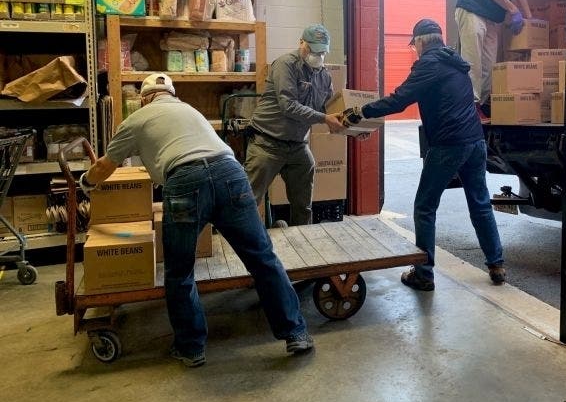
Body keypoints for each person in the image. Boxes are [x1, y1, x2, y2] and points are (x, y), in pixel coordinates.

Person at [78, 73, 314, 367]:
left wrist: (85, 183)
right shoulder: (191, 110)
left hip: (185, 183)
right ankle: (296, 332)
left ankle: (191, 348)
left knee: (180, 270)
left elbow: (104, 166)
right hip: (231, 175)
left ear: (144, 98)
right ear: (173, 94)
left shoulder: (137, 119)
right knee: (262, 259)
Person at [340, 19, 505, 291]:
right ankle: (496, 264)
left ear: (419, 41)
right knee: (480, 203)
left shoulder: (429, 64)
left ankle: (423, 273)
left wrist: (359, 112)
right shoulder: (456, 61)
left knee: (424, 208)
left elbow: (399, 99)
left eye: (414, 45)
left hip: (448, 145)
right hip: (475, 142)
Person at [245, 24, 346, 226]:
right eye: (313, 49)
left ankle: (304, 243)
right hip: (267, 142)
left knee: (303, 204)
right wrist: (325, 119)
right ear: (302, 43)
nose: (318, 55)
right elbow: (288, 106)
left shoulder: (324, 76)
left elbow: (328, 110)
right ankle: (241, 247)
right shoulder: (285, 65)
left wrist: (352, 127)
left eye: (322, 51)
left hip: (298, 145)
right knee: (247, 202)